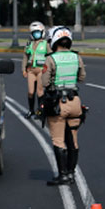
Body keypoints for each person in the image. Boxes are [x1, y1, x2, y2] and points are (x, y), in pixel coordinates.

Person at [42, 26, 85, 186]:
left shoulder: (51, 59)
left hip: (58, 103)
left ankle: (63, 175)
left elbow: (45, 82)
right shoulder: (76, 57)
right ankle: (72, 173)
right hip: (75, 102)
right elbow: (82, 77)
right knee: (73, 140)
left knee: (58, 140)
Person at [22, 21, 49, 118]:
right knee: (30, 92)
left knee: (40, 91)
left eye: (38, 32)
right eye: (34, 32)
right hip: (31, 70)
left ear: (42, 32)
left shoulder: (46, 44)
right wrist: (24, 69)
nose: (36, 34)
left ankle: (40, 111)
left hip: (42, 70)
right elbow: (25, 56)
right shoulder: (29, 44)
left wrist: (49, 69)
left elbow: (50, 57)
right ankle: (31, 110)